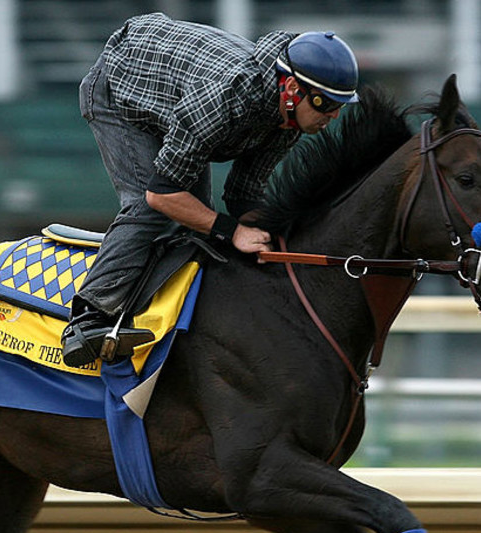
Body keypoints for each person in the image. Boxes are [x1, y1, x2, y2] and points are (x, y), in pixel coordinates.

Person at [61, 12, 360, 367]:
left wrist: (280, 234)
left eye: (341, 106)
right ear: (292, 89)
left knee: (198, 221)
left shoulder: (289, 119)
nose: (334, 116)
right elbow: (162, 195)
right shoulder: (226, 98)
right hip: (119, 92)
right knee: (152, 210)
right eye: (325, 104)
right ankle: (87, 318)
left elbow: (243, 195)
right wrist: (233, 231)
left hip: (173, 97)